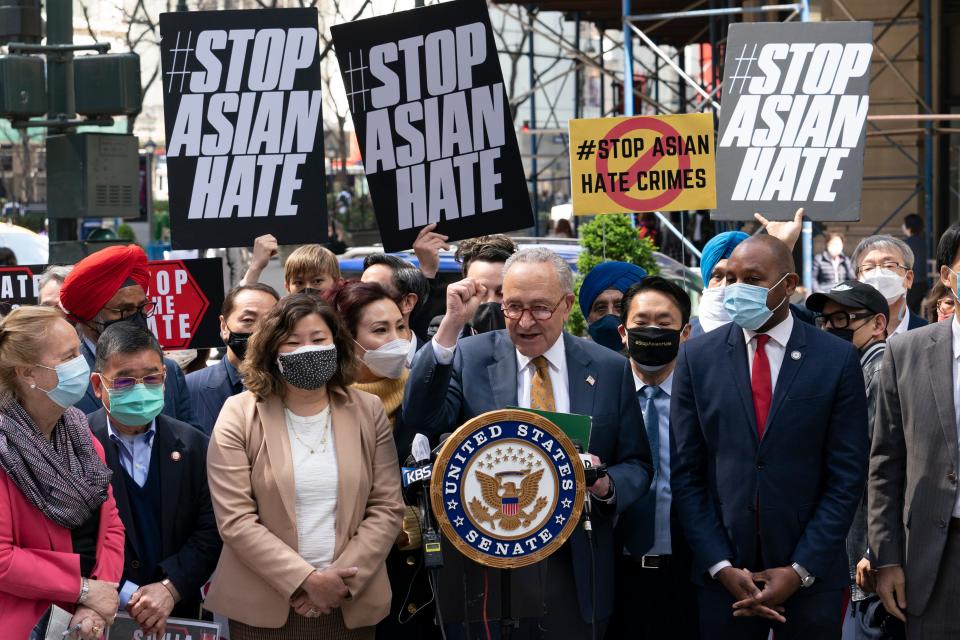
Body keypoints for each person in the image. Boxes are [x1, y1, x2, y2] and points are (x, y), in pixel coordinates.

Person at [401, 247, 653, 637]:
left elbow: (637, 463)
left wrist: (605, 484)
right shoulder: (470, 356)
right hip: (489, 571)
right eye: (513, 307)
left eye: (540, 308)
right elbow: (420, 416)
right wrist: (451, 325)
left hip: (575, 568)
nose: (524, 321)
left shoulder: (608, 367)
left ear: (567, 304)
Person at [671, 235, 869, 639]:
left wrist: (799, 571)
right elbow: (687, 474)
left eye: (753, 279)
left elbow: (846, 477)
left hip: (809, 585)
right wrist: (720, 565)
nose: (736, 288)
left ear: (789, 284)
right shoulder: (697, 357)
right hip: (723, 584)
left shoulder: (835, 358)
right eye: (729, 278)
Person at [205, 293, 404, 639]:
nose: (307, 350)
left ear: (337, 344)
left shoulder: (367, 410)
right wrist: (304, 580)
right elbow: (235, 520)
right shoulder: (238, 414)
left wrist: (335, 582)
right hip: (264, 611)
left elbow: (387, 507)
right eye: (292, 342)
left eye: (318, 340)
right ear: (270, 349)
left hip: (348, 605)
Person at [87, 323, 221, 636]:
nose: (140, 389)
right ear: (97, 385)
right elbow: (72, 536)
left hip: (178, 612)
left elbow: (211, 530)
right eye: (124, 381)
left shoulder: (193, 444)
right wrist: (125, 594)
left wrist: (169, 588)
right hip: (100, 613)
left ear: (164, 379)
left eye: (151, 378)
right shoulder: (74, 444)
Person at [0, 306, 124, 639]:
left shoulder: (79, 431)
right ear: (28, 373)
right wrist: (81, 589)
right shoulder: (3, 448)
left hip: (84, 623)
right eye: (68, 356)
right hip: (24, 625)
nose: (81, 365)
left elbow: (111, 525)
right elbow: (2, 558)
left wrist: (95, 598)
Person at [326, 280, 436, 639]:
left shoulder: (426, 395)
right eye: (380, 330)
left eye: (401, 327)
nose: (398, 339)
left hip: (415, 588)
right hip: (343, 582)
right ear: (346, 336)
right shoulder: (320, 404)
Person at [868, 223, 960, 639]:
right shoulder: (905, 352)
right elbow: (885, 462)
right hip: (933, 556)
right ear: (946, 276)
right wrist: (886, 557)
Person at [609, 276, 699, 640]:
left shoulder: (704, 394)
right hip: (613, 573)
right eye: (641, 323)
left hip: (689, 574)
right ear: (623, 333)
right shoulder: (601, 392)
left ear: (686, 332)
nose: (652, 332)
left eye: (664, 324)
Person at [805, 280, 896, 637]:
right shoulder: (849, 369)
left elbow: (881, 467)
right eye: (825, 322)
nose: (830, 329)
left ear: (877, 324)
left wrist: (876, 547)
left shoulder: (879, 370)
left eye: (842, 319)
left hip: (866, 559)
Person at [58, 245, 199, 429]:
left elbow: (190, 441)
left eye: (141, 307)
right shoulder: (66, 380)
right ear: (89, 318)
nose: (136, 317)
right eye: (124, 310)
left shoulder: (169, 372)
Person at [693, 209, 807, 337]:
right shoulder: (687, 341)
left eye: (750, 278)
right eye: (718, 276)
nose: (727, 285)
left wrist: (782, 247)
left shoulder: (802, 322)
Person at [186, 283, 280, 434]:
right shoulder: (188, 388)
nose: (259, 331)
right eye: (248, 320)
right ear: (224, 326)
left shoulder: (293, 387)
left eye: (270, 322)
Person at [851, 235, 927, 336]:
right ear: (857, 281)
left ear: (908, 278)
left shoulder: (929, 334)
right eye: (869, 268)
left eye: (888, 266)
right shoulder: (846, 337)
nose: (878, 274)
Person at [361, 253, 430, 345]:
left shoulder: (434, 357)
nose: (360, 296)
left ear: (407, 302)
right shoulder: (345, 355)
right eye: (360, 288)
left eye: (374, 290)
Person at [578, 261, 647, 352]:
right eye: (601, 308)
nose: (610, 315)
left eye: (620, 306)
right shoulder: (570, 363)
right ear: (588, 317)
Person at [902, 214, 929, 315]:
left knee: (907, 314)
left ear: (908, 227)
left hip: (910, 284)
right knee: (917, 313)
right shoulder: (923, 243)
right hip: (922, 283)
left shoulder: (905, 244)